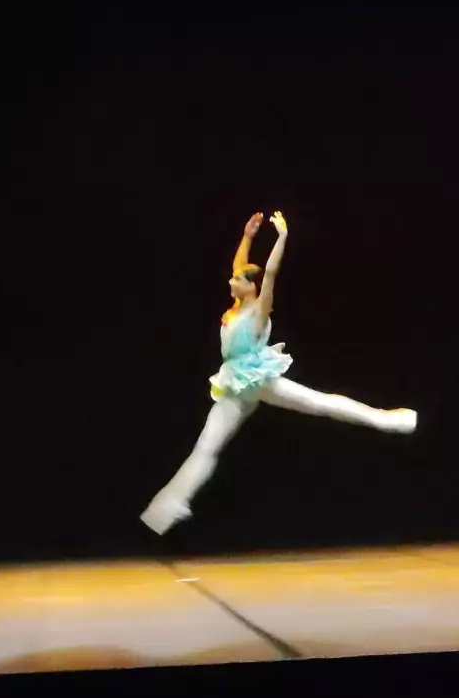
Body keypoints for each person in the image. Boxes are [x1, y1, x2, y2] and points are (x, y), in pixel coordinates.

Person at [140, 211, 417, 535]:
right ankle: (168, 507)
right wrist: (248, 236)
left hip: (259, 381)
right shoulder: (234, 310)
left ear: (250, 287)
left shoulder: (258, 311)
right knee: (206, 446)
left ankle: (390, 420)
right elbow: (239, 265)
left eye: (237, 280)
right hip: (235, 388)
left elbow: (270, 273)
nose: (230, 281)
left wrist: (282, 237)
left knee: (321, 403)